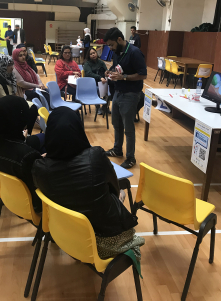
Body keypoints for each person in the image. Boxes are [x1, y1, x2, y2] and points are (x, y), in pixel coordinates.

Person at [33, 107, 144, 260]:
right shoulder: (95, 156)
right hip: (106, 243)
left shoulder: (40, 167)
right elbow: (114, 188)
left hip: (64, 235)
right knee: (121, 192)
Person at [0, 96, 45, 213]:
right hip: (35, 204)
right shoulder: (27, 156)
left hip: (11, 199)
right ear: (16, 119)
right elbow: (43, 180)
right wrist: (44, 159)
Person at [104, 28, 147, 169]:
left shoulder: (134, 52)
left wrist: (124, 77)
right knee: (116, 123)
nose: (110, 48)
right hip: (118, 92)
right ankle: (117, 149)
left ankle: (130, 157)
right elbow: (118, 68)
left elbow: (143, 75)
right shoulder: (117, 52)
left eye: (111, 45)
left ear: (119, 40)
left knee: (128, 128)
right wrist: (110, 72)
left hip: (131, 94)